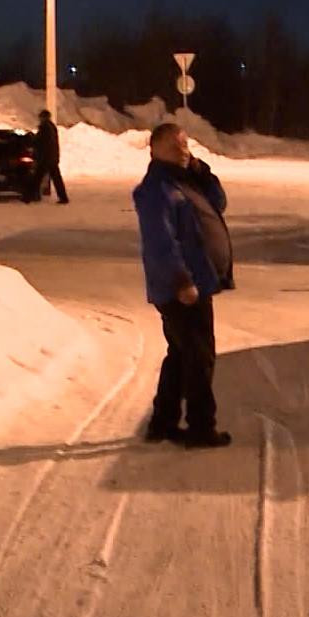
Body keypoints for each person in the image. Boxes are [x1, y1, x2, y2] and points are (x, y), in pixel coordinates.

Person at [134, 123, 234, 448]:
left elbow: (218, 202)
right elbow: (161, 243)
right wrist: (182, 280)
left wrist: (202, 171)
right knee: (199, 356)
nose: (183, 150)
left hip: (196, 282)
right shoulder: (156, 190)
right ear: (155, 149)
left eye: (184, 144)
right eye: (175, 146)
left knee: (180, 353)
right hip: (182, 288)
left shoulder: (184, 179)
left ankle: (162, 422)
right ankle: (201, 427)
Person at [34, 109, 69, 205]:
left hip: (46, 158)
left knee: (36, 178)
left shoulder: (45, 128)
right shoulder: (51, 127)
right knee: (56, 179)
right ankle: (63, 197)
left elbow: (41, 142)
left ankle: (28, 197)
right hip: (51, 157)